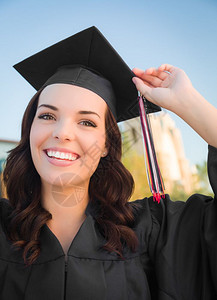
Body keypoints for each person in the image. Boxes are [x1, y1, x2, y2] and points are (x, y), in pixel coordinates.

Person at [0, 26, 217, 300]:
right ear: (29, 128)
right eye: (47, 116)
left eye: (87, 122)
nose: (62, 132)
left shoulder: (150, 231)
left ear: (106, 144)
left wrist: (189, 102)